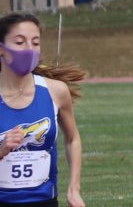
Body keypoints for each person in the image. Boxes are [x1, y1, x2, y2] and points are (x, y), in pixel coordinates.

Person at [0, 13, 86, 207]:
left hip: (44, 201)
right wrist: (2, 149)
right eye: (20, 42)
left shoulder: (56, 91)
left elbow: (73, 139)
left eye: (35, 42)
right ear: (1, 50)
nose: (29, 49)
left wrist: (74, 189)